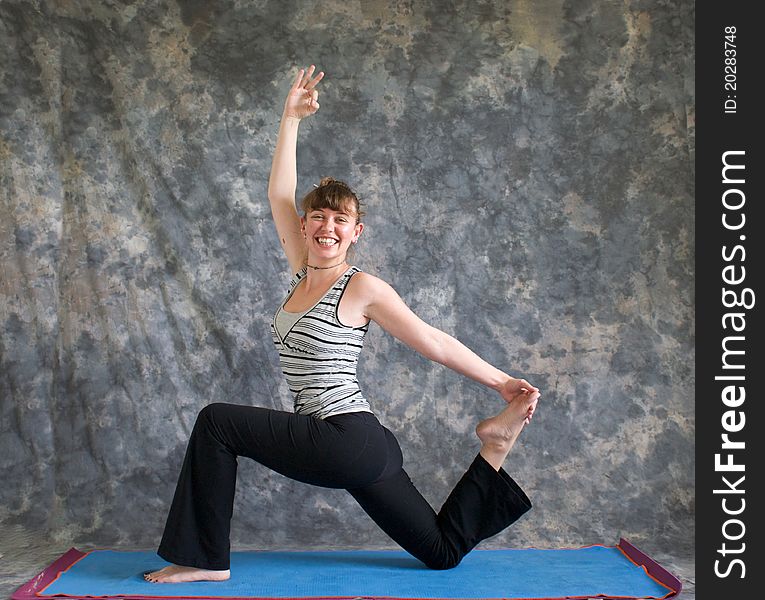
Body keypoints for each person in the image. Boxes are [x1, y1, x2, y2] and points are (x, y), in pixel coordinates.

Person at [145, 65, 540, 584]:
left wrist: (502, 382)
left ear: (355, 232)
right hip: (362, 448)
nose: (326, 226)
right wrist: (290, 119)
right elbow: (278, 194)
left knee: (216, 422)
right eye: (318, 217)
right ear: (306, 226)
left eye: (339, 220)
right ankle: (495, 447)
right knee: (441, 551)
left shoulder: (362, 288)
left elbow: (435, 343)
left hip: (345, 437)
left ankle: (206, 560)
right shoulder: (298, 273)